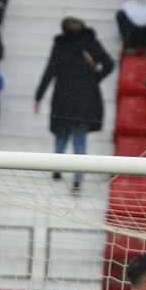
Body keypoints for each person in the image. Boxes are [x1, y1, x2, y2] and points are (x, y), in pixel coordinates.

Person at [34, 17, 114, 186]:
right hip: (84, 97)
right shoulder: (90, 43)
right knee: (79, 137)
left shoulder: (62, 44)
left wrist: (38, 96)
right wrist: (94, 79)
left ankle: (57, 168)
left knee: (62, 133)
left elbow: (50, 71)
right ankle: (78, 177)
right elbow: (109, 64)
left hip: (63, 96)